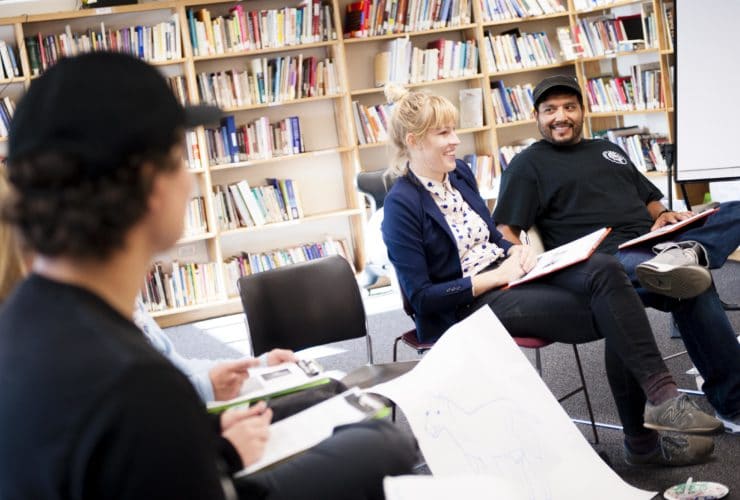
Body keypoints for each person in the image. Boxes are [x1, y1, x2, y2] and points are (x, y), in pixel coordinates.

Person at [0, 52, 415, 499]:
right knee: (382, 446)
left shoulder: (24, 320)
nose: (192, 182)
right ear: (150, 183)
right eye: (180, 159)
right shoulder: (134, 384)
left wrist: (204, 439)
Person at [380, 84, 721, 467]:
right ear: (413, 141)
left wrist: (516, 251)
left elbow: (492, 235)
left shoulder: (457, 175)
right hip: (469, 302)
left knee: (607, 271)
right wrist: (495, 276)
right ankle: (645, 440)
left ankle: (663, 400)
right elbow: (421, 298)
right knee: (618, 310)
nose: (456, 142)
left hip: (510, 273)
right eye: (444, 133)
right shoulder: (401, 208)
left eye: (453, 130)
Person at [492, 74, 740, 434]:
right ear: (537, 117)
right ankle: (733, 404)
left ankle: (689, 250)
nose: (560, 116)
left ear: (582, 111)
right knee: (691, 285)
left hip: (656, 244)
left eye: (569, 108)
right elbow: (506, 231)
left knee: (730, 213)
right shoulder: (527, 165)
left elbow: (648, 196)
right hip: (604, 261)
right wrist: (521, 259)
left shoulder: (609, 150)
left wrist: (662, 215)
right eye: (550, 110)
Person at [133, 298, 298, 402]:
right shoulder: (112, 330)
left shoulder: (135, 304)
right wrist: (206, 388)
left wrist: (260, 363)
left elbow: (178, 367)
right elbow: (141, 401)